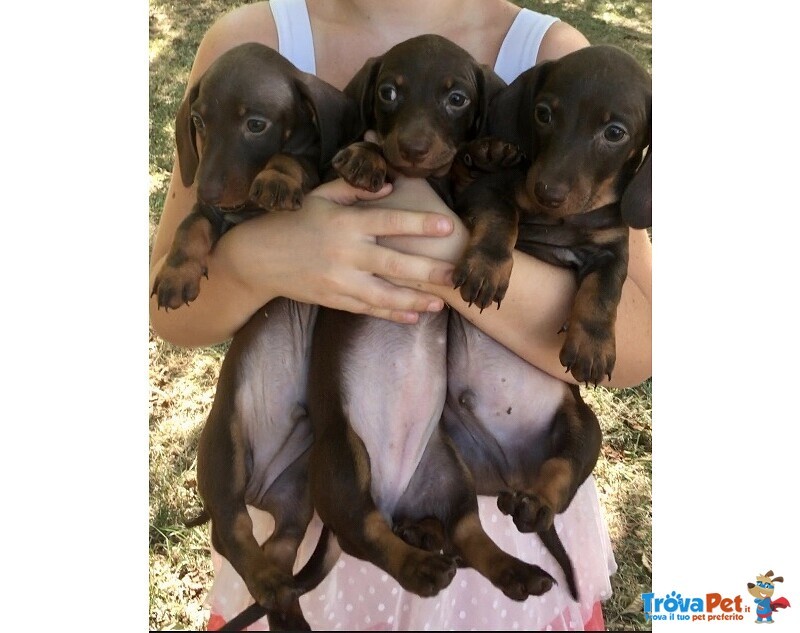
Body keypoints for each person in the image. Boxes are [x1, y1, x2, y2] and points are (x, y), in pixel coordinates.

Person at [149, 0, 653, 630]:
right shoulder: (251, 41)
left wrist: (445, 249)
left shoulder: (551, 56)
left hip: (501, 528)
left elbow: (637, 345)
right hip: (308, 508)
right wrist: (259, 259)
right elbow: (167, 313)